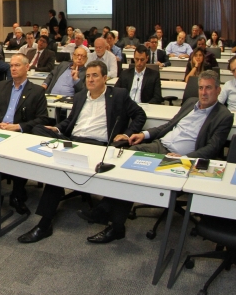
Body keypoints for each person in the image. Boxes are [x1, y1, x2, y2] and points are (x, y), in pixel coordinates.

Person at [82, 71, 234, 244]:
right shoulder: (191, 103)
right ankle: (105, 208)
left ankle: (114, 225)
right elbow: (169, 125)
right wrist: (144, 134)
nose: (203, 92)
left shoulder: (224, 116)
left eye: (208, 88)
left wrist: (185, 158)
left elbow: (212, 148)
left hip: (181, 159)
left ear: (218, 90)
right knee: (123, 159)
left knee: (134, 174)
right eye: (200, 88)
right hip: (160, 145)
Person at [18, 60, 147, 243]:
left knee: (61, 167)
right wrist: (57, 129)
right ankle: (44, 224)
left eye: (95, 75)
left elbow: (140, 115)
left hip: (99, 145)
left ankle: (46, 224)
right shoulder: (80, 96)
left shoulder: (118, 95)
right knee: (39, 130)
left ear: (105, 78)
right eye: (88, 76)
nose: (90, 79)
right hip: (73, 142)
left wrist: (126, 135)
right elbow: (70, 123)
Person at [0, 54, 48, 214]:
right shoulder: (2, 86)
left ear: (27, 67)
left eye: (17, 65)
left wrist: (19, 126)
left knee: (19, 155)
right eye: (11, 66)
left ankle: (17, 194)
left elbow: (43, 119)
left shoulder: (36, 91)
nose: (13, 69)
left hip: (20, 134)